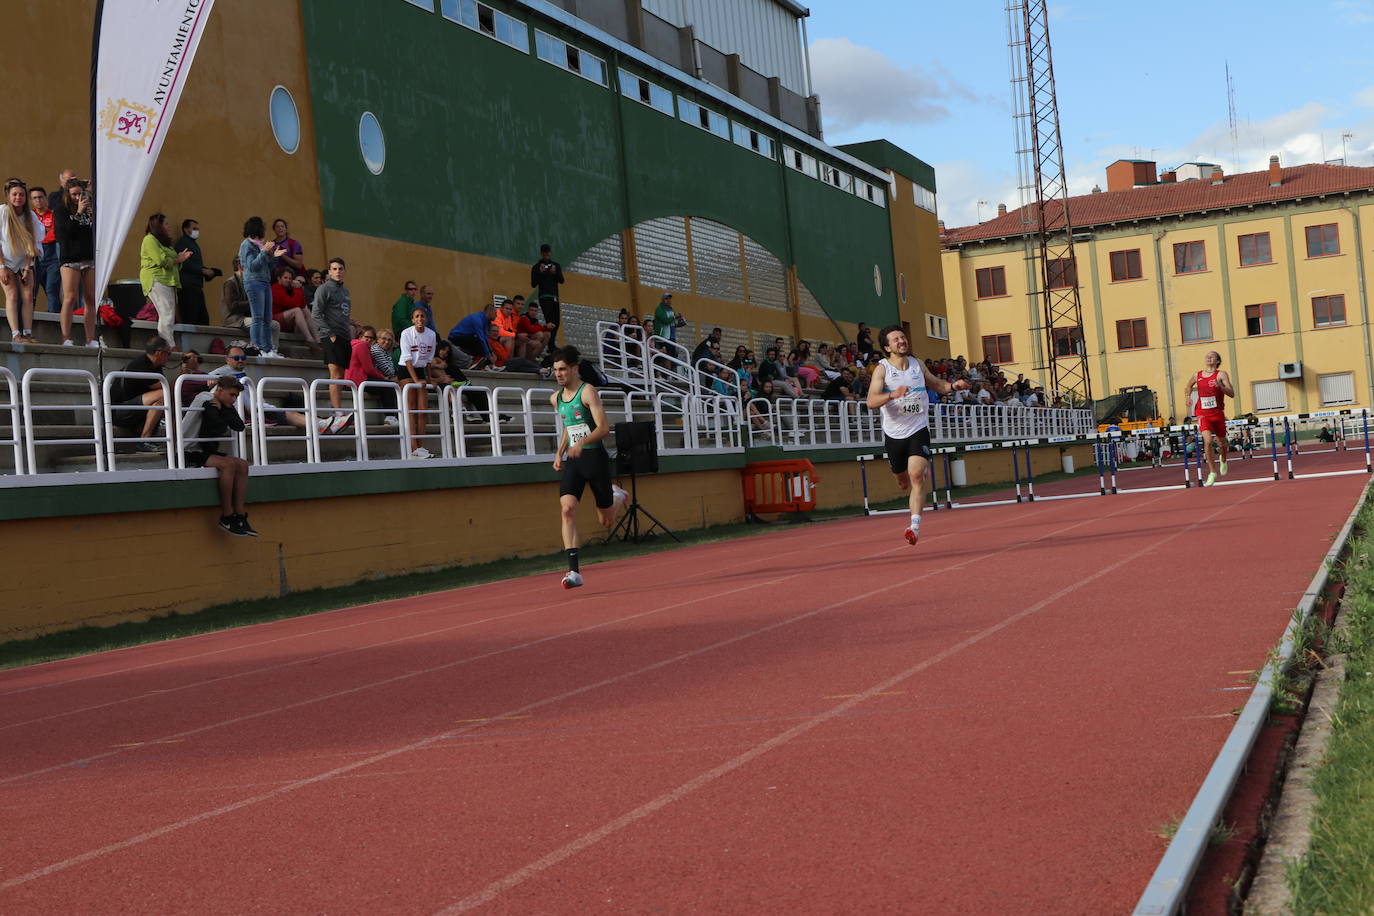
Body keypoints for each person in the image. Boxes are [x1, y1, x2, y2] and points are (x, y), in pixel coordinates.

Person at [866, 324, 969, 546]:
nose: (902, 341)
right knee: (903, 482)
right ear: (887, 347)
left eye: (903, 337)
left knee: (916, 476)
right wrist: (893, 394)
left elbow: (938, 385)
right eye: (896, 339)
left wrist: (954, 386)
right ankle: (915, 472)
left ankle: (914, 526)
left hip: (918, 429)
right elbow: (871, 401)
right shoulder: (882, 369)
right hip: (894, 434)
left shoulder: (917, 364)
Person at [550, 345, 626, 588]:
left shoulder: (588, 392)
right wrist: (559, 452)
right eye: (555, 370)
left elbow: (603, 428)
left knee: (606, 521)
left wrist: (581, 443)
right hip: (574, 462)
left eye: (563, 369)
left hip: (594, 459)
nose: (559, 374)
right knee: (567, 510)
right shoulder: (556, 398)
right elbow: (567, 426)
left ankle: (617, 496)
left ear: (575, 369)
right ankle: (574, 572)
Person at [180, 375, 257, 536]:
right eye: (232, 395)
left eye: (236, 396)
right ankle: (227, 516)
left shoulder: (222, 403)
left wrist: (224, 409)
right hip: (187, 451)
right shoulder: (206, 399)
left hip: (204, 450)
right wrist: (223, 411)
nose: (234, 399)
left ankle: (240, 515)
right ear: (220, 390)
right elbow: (218, 427)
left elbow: (239, 426)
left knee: (242, 464)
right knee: (228, 465)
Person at [139, 212, 192, 350]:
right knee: (167, 313)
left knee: (168, 313)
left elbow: (172, 261)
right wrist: (178, 259)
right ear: (158, 226)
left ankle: (167, 343)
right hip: (157, 279)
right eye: (166, 224)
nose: (169, 227)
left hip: (168, 281)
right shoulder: (149, 239)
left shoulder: (165, 243)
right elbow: (160, 260)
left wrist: (180, 258)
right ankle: (168, 345)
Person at [109, 337, 173, 450]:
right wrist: (185, 373)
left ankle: (146, 440)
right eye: (169, 353)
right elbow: (167, 390)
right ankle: (144, 440)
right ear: (159, 353)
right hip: (118, 412)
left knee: (160, 402)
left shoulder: (154, 366)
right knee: (163, 394)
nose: (169, 357)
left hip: (131, 409)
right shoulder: (142, 365)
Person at [0, 178, 43, 342]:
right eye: (15, 194)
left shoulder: (30, 216)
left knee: (27, 295)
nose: (18, 197)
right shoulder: (3, 212)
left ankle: (27, 332)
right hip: (6, 261)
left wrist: (27, 268)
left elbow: (32, 244)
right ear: (8, 196)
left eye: (22, 195)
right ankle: (15, 334)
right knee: (12, 295)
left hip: (24, 261)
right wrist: (2, 266)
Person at [1184, 349, 1235, 486]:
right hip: (1202, 413)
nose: (1208, 358)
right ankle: (1212, 472)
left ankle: (1223, 459)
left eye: (1212, 356)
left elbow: (1232, 393)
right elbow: (1188, 386)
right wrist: (1188, 397)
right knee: (1207, 441)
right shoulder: (1197, 374)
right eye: (1207, 356)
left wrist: (1220, 386)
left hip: (1217, 413)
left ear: (1217, 361)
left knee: (1222, 444)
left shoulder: (1221, 375)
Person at [312, 257, 352, 412]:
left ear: (344, 271)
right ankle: (337, 411)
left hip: (344, 336)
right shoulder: (324, 288)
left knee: (341, 376)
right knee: (335, 375)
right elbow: (315, 313)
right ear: (329, 272)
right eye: (334, 269)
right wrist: (330, 333)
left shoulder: (346, 291)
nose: (338, 272)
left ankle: (337, 409)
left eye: (340, 269)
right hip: (331, 336)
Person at [238, 216, 280, 358]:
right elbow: (252, 266)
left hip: (264, 282)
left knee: (268, 318)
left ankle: (268, 349)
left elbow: (267, 266)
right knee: (258, 317)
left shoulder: (259, 244)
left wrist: (274, 256)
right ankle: (256, 347)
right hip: (254, 282)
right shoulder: (247, 245)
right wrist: (264, 252)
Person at [399, 305, 438, 458]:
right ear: (412, 319)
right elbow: (408, 359)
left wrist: (429, 379)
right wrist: (416, 381)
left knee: (423, 410)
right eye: (417, 316)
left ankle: (420, 447)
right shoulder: (406, 333)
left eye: (422, 316)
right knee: (411, 409)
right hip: (406, 369)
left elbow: (428, 360)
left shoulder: (431, 334)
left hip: (420, 369)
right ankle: (413, 448)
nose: (420, 319)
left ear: (426, 319)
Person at [174, 218, 217, 326]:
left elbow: (194, 264)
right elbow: (185, 263)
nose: (197, 231)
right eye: (194, 228)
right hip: (188, 287)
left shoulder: (193, 244)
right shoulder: (183, 243)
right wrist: (202, 270)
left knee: (202, 319)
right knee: (191, 318)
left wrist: (208, 271)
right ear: (185, 229)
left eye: (197, 229)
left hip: (196, 287)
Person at [270, 266, 322, 351]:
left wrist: (299, 289)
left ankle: (318, 339)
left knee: (305, 309)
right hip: (275, 319)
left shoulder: (288, 288)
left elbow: (302, 304)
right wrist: (297, 289)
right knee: (297, 310)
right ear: (279, 278)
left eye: (290, 278)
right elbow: (294, 304)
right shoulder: (275, 289)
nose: (288, 280)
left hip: (286, 319)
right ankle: (309, 339)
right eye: (285, 278)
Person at [28, 186, 61, 313]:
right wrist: (45, 232)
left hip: (52, 256)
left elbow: (55, 234)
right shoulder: (30, 216)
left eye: (40, 197)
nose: (38, 200)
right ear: (31, 201)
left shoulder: (53, 215)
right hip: (35, 256)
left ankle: (54, 321)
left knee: (51, 290)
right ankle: (28, 321)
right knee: (31, 291)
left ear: (46, 198)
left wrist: (41, 235)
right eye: (34, 198)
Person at [530, 243, 564, 348]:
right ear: (541, 254)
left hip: (554, 296)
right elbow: (533, 284)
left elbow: (561, 280)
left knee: (557, 322)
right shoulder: (536, 267)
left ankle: (551, 343)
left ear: (550, 253)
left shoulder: (556, 265)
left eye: (548, 253)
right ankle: (551, 345)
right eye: (544, 253)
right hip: (544, 296)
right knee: (550, 321)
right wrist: (540, 272)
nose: (546, 255)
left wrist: (554, 273)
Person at [448, 302, 496, 367]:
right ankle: (477, 362)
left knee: (480, 340)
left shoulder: (485, 321)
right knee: (478, 340)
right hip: (455, 337)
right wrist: (489, 356)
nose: (496, 315)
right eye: (495, 313)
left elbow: (485, 338)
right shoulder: (478, 319)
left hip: (466, 337)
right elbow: (481, 339)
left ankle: (487, 364)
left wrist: (491, 352)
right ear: (490, 312)